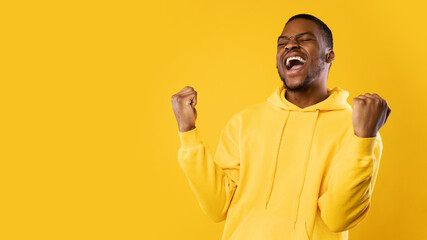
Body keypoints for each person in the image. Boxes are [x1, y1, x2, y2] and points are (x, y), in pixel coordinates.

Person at [171, 13, 391, 240]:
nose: (291, 45)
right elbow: (217, 208)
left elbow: (339, 218)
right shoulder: (244, 123)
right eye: (282, 43)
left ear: (329, 55)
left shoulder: (358, 129)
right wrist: (188, 132)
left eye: (305, 39)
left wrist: (364, 139)